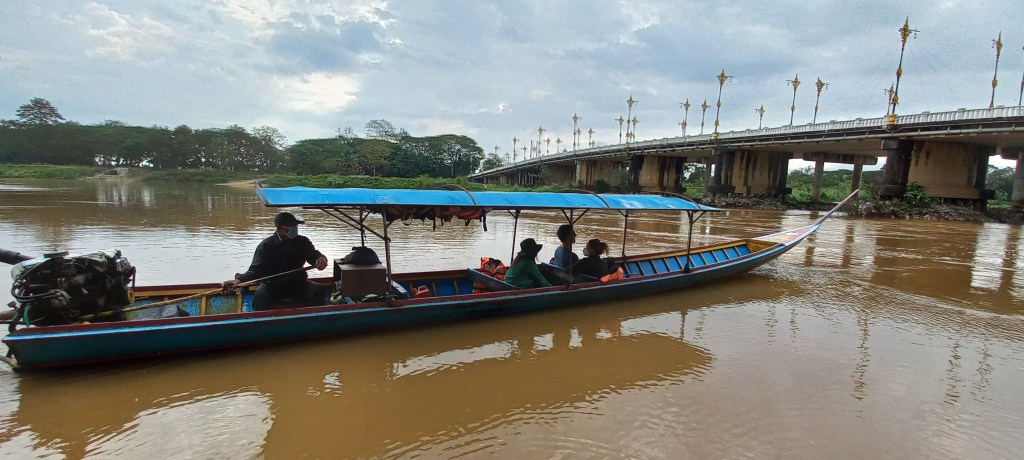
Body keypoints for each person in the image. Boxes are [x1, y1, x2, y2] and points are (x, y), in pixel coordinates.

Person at [222, 212, 330, 310]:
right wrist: (239, 281)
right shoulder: (266, 246)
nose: (294, 229)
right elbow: (256, 270)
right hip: (272, 286)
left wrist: (321, 259)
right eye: (290, 228)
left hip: (298, 284)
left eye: (295, 226)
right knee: (260, 295)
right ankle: (267, 324)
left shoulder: (302, 241)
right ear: (279, 229)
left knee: (318, 290)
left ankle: (314, 318)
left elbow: (313, 255)